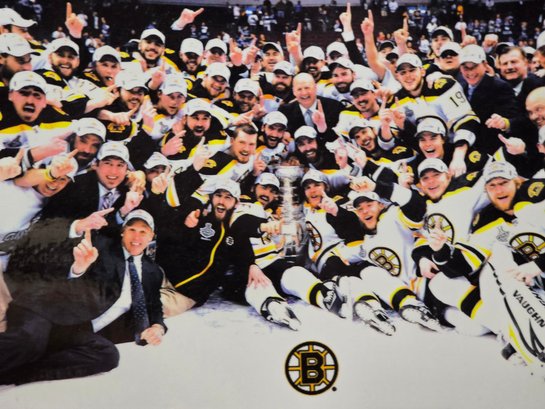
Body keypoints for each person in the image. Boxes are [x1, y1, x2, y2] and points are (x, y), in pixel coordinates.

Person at [0, 209, 165, 385]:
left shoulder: (153, 272)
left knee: (107, 355)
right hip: (46, 310)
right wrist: (77, 268)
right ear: (123, 232)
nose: (137, 236)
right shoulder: (101, 246)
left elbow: (154, 306)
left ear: (151, 236)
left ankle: (16, 374)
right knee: (29, 342)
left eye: (143, 231)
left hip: (76, 329)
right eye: (132, 229)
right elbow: (55, 257)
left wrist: (158, 327)